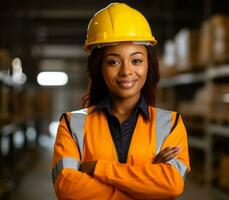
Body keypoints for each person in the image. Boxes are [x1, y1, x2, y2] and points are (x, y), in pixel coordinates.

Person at [52, 3, 190, 200]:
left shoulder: (171, 125)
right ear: (99, 67)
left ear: (148, 65)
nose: (126, 71)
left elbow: (172, 184)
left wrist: (98, 168)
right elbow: (66, 186)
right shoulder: (71, 124)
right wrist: (144, 183)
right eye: (113, 62)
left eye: (136, 61)